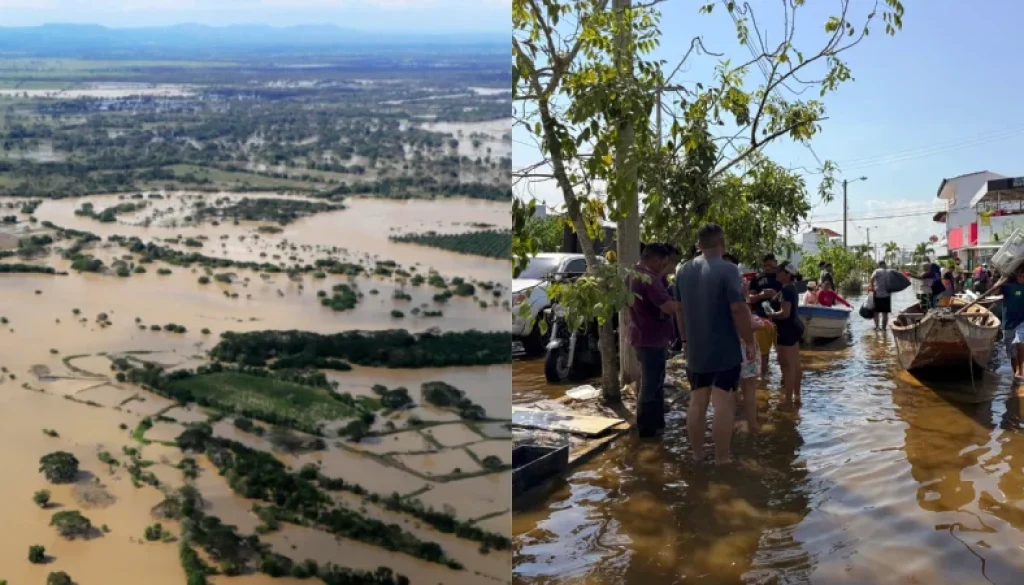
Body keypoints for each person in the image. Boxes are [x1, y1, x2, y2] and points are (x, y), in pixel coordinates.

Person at [676, 224, 756, 464]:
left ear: (699, 244)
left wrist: (685, 340)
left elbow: (679, 310)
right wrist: (749, 340)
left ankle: (698, 456)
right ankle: (722, 459)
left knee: (697, 401)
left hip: (697, 350)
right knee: (723, 403)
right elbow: (739, 308)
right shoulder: (729, 270)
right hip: (724, 349)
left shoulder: (683, 270)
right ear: (723, 243)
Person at [628, 243, 679, 438]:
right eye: (664, 263)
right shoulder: (650, 279)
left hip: (641, 335)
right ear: (656, 259)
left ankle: (656, 424)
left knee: (654, 382)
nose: (665, 267)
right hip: (652, 338)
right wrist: (684, 304)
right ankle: (647, 429)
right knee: (651, 385)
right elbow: (668, 307)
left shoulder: (632, 274)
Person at [768, 261, 804, 406]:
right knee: (795, 364)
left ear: (787, 274)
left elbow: (784, 313)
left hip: (787, 330)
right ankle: (797, 396)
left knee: (786, 365)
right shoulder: (791, 288)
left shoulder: (786, 290)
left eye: (779, 271)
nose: (777, 273)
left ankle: (788, 399)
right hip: (795, 327)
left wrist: (771, 314)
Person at [749, 254, 782, 378]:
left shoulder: (782, 277)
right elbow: (749, 299)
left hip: (780, 319)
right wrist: (761, 295)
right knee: (763, 354)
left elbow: (790, 294)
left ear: (776, 262)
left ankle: (784, 381)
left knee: (783, 353)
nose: (767, 267)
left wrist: (776, 295)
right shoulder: (757, 279)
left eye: (770, 264)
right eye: (765, 265)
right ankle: (764, 381)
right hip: (762, 318)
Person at [1002, 270, 1024, 381]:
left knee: (1021, 344)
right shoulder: (1009, 287)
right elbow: (995, 291)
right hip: (1008, 323)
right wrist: (1003, 279)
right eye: (1020, 275)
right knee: (1012, 352)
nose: (1022, 278)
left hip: (1021, 322)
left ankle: (1020, 370)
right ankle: (1016, 374)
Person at [870, 261, 892, 331]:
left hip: (878, 294)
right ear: (885, 265)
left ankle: (877, 327)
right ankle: (884, 328)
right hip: (887, 295)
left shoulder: (877, 271)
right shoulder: (889, 272)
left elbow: (872, 278)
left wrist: (873, 288)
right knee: (885, 313)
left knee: (876, 312)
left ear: (879, 265)